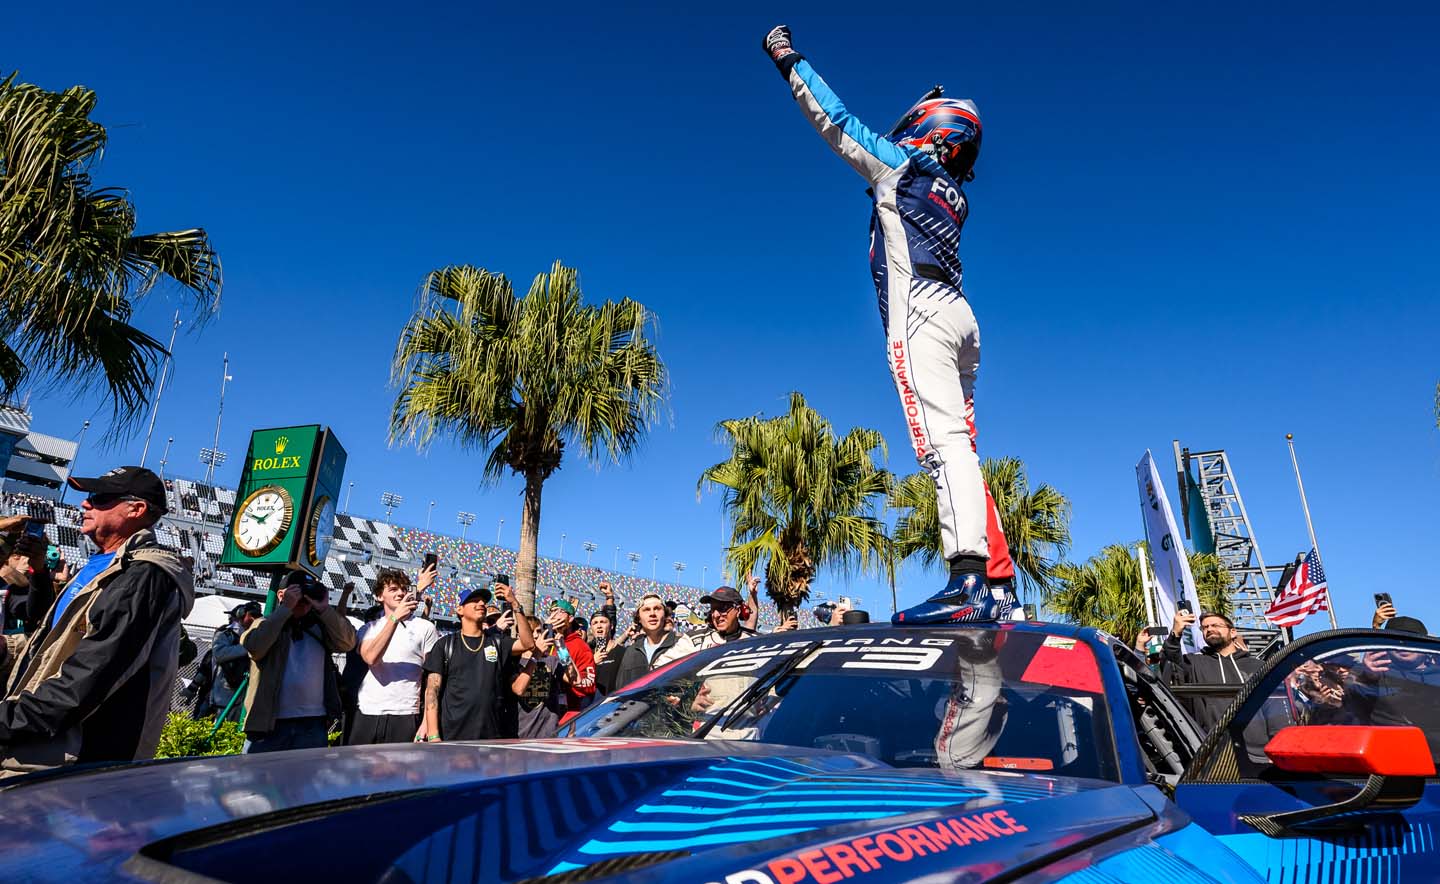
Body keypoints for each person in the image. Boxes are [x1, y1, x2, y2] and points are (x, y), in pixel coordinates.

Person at [762, 25, 1015, 622]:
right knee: (964, 448)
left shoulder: (901, 166)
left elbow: (838, 122)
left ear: (931, 127)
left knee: (941, 447)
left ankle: (970, 583)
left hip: (920, 311)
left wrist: (788, 60)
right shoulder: (953, 191)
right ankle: (999, 584)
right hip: (961, 316)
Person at [0, 466, 194, 776]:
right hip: (35, 745)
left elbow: (89, 677)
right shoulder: (100, 565)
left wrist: (7, 720)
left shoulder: (143, 574)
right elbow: (52, 643)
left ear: (136, 509)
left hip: (69, 761)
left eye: (100, 497)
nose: (85, 504)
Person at [240, 570, 357, 753]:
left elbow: (348, 642)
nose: (304, 599)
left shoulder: (320, 626)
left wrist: (325, 609)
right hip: (269, 723)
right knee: (259, 778)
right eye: (299, 593)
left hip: (313, 722)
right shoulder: (265, 623)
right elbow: (255, 646)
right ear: (281, 594)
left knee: (306, 779)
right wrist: (285, 608)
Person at [421, 584, 535, 742]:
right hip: (453, 736)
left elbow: (528, 644)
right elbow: (432, 690)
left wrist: (515, 604)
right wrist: (433, 734)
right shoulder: (445, 645)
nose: (481, 604)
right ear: (460, 610)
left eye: (483, 601)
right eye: (474, 600)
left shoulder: (497, 642)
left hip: (492, 736)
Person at [349, 565, 439, 745]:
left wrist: (426, 723)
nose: (400, 593)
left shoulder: (425, 627)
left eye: (404, 589)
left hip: (405, 714)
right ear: (380, 596)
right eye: (393, 589)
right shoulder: (369, 628)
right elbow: (371, 658)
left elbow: (432, 678)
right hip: (368, 712)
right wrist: (394, 620)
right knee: (360, 770)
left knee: (400, 771)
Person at [1162, 609, 1262, 731]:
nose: (1209, 629)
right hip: (1213, 742)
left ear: (1233, 632)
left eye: (1215, 625)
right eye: (1204, 628)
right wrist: (1175, 634)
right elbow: (1171, 664)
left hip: (1257, 743)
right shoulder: (1194, 662)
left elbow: (1272, 705)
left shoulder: (1257, 665)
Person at [194, 601, 261, 722]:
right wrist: (249, 647)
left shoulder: (256, 635)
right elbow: (219, 654)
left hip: (242, 696)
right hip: (222, 695)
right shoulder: (225, 634)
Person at [614, 594, 696, 691]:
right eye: (646, 610)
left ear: (665, 615)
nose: (652, 613)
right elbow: (620, 690)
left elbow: (693, 687)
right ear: (639, 618)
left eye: (657, 608)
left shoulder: (681, 645)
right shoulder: (631, 652)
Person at [546, 599, 597, 713]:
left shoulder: (580, 645)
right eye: (552, 611)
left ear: (570, 618)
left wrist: (561, 648)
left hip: (569, 714)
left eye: (559, 611)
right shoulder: (546, 641)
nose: (554, 615)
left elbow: (588, 685)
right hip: (546, 713)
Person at [692, 586, 758, 651]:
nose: (715, 615)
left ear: (738, 611)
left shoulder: (755, 640)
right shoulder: (693, 639)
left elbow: (751, 624)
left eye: (722, 608)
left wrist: (753, 594)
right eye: (712, 609)